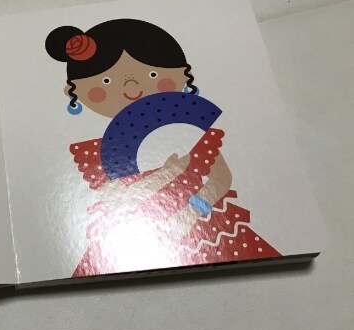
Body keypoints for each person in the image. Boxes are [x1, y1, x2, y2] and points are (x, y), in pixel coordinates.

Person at [45, 19, 280, 277]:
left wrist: (188, 215)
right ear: (73, 91)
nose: (132, 88)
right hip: (132, 234)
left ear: (184, 74)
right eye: (107, 81)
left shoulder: (187, 128)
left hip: (205, 223)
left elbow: (221, 178)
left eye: (153, 75)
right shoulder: (96, 152)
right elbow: (118, 200)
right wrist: (167, 173)